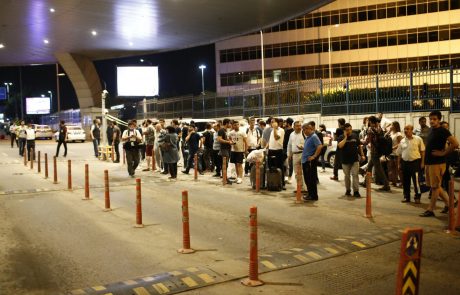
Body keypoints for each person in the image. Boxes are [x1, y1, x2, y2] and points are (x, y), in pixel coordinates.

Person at [420, 111, 459, 217]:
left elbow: (455, 143)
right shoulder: (432, 130)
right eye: (431, 119)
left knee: (435, 187)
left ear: (439, 120)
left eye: (434, 119)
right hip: (430, 163)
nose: (432, 121)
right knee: (435, 186)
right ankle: (451, 203)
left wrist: (443, 153)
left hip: (437, 163)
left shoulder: (443, 131)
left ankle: (430, 209)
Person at [396, 125, 425, 203]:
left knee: (416, 182)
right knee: (405, 181)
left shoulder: (418, 139)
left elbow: (422, 151)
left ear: (412, 130)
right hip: (405, 163)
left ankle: (417, 197)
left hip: (415, 163)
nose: (406, 130)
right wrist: (399, 164)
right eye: (405, 129)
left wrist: (422, 162)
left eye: (408, 129)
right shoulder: (402, 141)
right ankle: (406, 197)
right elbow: (399, 153)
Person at [337, 123, 365, 197]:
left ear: (351, 129)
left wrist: (362, 155)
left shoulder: (355, 136)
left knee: (355, 175)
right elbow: (340, 146)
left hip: (355, 160)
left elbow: (359, 146)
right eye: (347, 130)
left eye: (350, 129)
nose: (349, 131)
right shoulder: (341, 137)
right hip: (345, 160)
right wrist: (345, 137)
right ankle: (348, 190)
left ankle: (356, 191)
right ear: (344, 131)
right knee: (347, 176)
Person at [365, 116, 391, 191]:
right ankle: (366, 182)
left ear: (370, 121)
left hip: (374, 152)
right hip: (379, 151)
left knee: (379, 169)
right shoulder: (379, 128)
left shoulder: (370, 130)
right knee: (369, 167)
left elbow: (368, 141)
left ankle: (386, 185)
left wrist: (361, 142)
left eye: (368, 121)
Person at [301, 123, 322, 201]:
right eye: (303, 130)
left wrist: (314, 156)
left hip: (309, 162)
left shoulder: (314, 136)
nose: (304, 131)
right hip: (305, 161)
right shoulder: (308, 137)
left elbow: (320, 146)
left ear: (310, 129)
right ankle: (310, 194)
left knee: (310, 179)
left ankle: (313, 196)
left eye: (305, 129)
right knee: (307, 179)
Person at [287, 121, 307, 193]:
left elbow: (307, 143)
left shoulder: (304, 133)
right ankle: (300, 187)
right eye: (297, 126)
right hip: (294, 155)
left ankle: (306, 188)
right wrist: (289, 154)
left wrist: (303, 147)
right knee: (296, 173)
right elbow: (289, 145)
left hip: (303, 154)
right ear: (294, 127)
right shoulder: (291, 134)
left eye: (300, 125)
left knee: (304, 172)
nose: (299, 127)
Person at [267, 118, 286, 189]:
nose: (272, 124)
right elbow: (270, 140)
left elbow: (276, 138)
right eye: (271, 122)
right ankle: (271, 182)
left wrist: (275, 128)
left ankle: (281, 183)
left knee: (279, 167)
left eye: (273, 122)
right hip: (271, 150)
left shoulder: (281, 130)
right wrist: (266, 148)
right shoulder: (272, 131)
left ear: (278, 123)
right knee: (270, 167)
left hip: (278, 150)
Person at [387, 121, 403, 187]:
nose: (390, 126)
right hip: (391, 153)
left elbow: (400, 143)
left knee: (398, 168)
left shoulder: (398, 134)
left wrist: (393, 147)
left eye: (392, 125)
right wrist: (389, 131)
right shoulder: (391, 133)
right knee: (392, 168)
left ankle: (402, 182)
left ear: (395, 126)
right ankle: (394, 181)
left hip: (397, 153)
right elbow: (385, 136)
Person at [283, 118, 294, 184]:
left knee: (290, 164)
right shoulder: (286, 130)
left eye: (286, 122)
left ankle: (289, 177)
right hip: (285, 149)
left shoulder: (290, 131)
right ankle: (287, 177)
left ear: (288, 123)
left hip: (289, 149)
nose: (285, 124)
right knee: (286, 164)